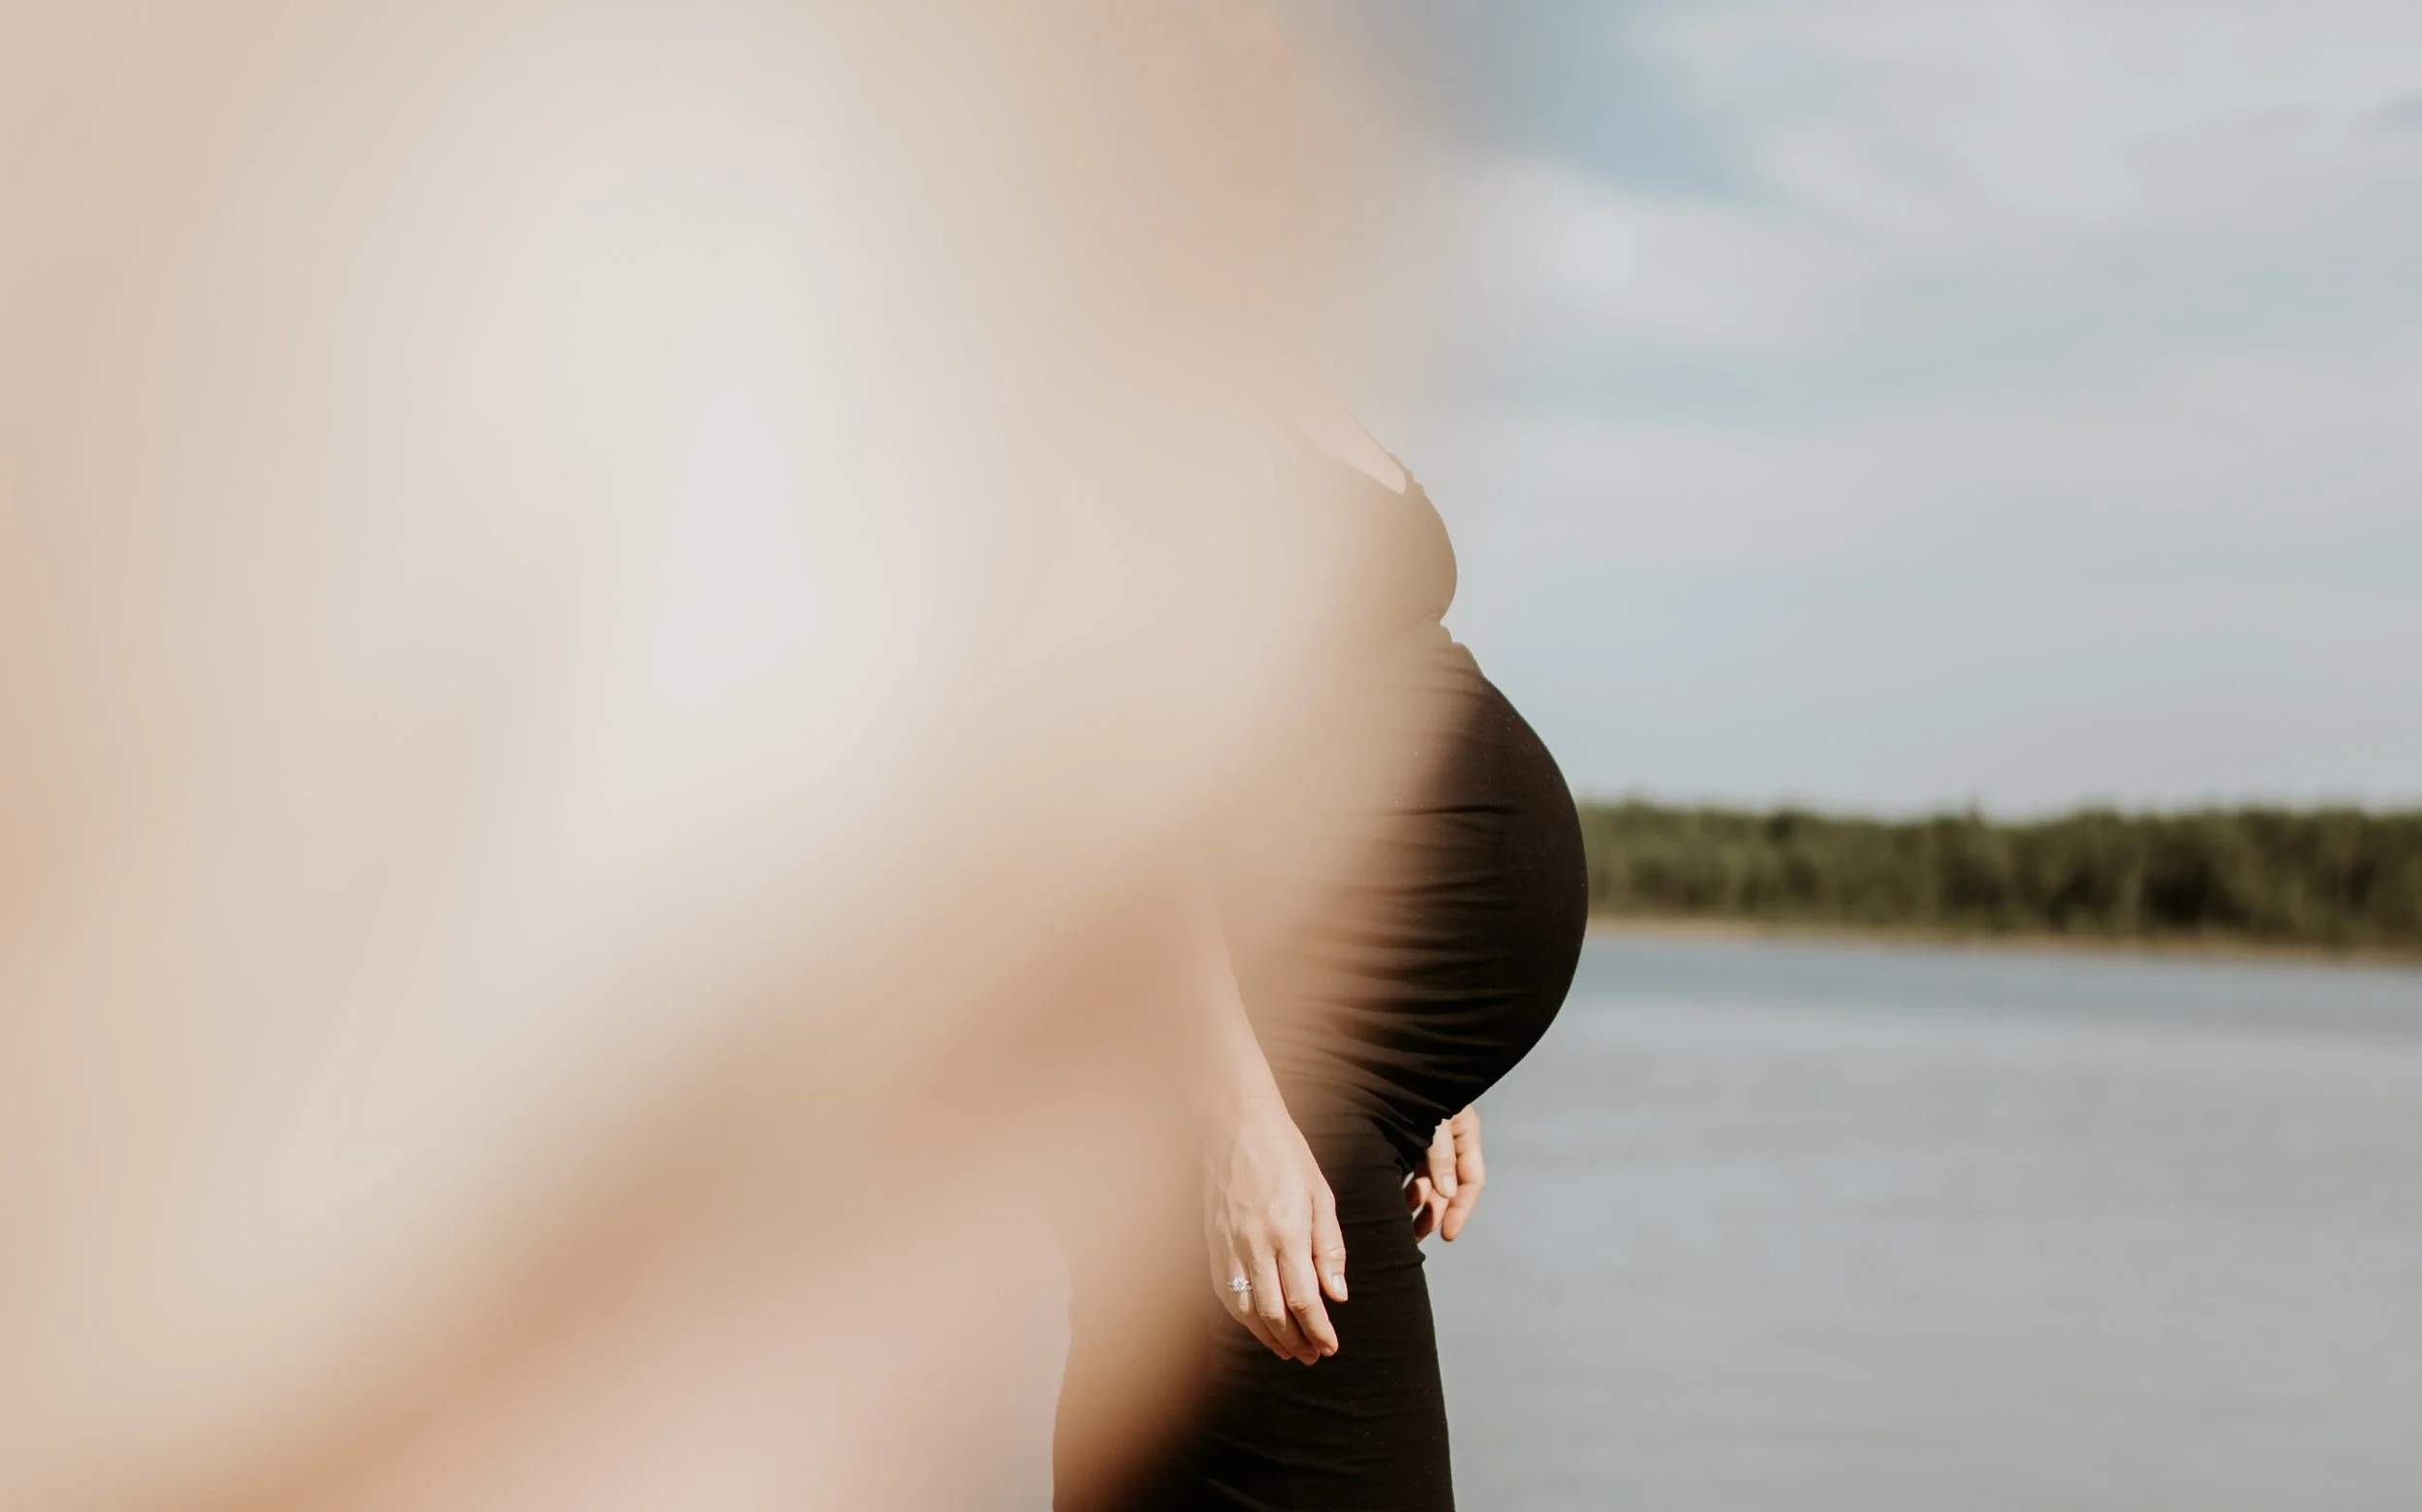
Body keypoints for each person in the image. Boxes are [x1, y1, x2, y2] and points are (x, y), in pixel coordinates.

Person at [1050, 384, 1590, 1509]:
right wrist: (1240, 1119)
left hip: (1316, 1055)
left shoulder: (1272, 364)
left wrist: (1411, 1027)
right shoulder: (1127, 383)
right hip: (1262, 1087)